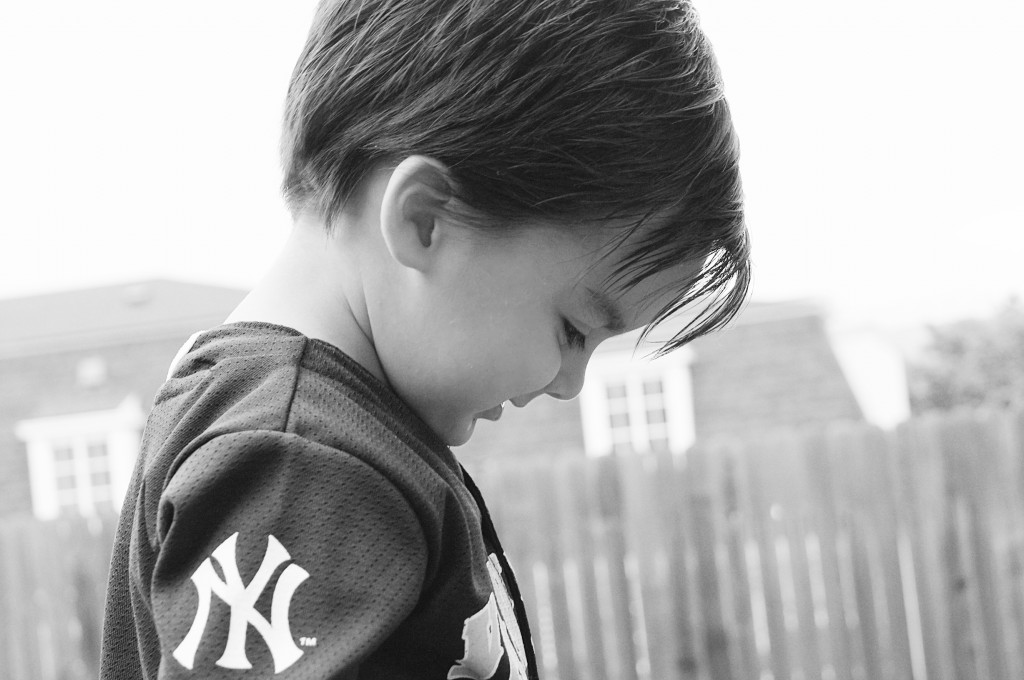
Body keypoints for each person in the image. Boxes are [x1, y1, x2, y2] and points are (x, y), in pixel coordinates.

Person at [99, 0, 750, 678]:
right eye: (574, 329)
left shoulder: (328, 438)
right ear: (425, 220)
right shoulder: (299, 466)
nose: (569, 382)